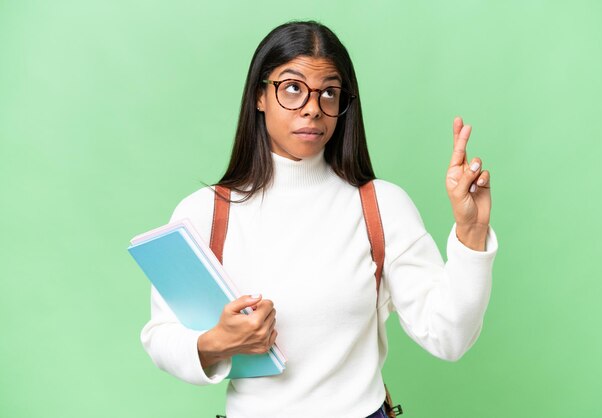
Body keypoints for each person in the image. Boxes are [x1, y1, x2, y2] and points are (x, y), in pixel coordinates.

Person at [140, 21, 498, 418]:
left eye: (329, 92)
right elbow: (161, 336)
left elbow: (450, 337)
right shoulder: (205, 213)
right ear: (260, 96)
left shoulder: (381, 205)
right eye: (292, 88)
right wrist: (215, 342)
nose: (313, 107)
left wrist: (471, 232)